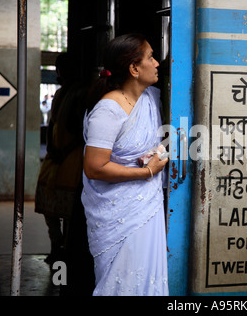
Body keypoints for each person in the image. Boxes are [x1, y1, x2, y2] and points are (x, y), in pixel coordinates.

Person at [81, 33, 169, 296]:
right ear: (133, 68)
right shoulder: (108, 110)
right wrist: (146, 171)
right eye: (151, 57)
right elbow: (94, 167)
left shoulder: (150, 97)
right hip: (118, 217)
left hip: (147, 209)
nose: (157, 64)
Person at [35, 53, 87, 268]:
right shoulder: (59, 94)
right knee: (49, 206)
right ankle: (56, 245)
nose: (61, 72)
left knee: (67, 209)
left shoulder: (82, 94)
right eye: (59, 68)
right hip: (55, 156)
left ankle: (66, 249)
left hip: (72, 157)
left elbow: (83, 131)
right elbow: (53, 124)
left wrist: (64, 150)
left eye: (66, 68)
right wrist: (53, 148)